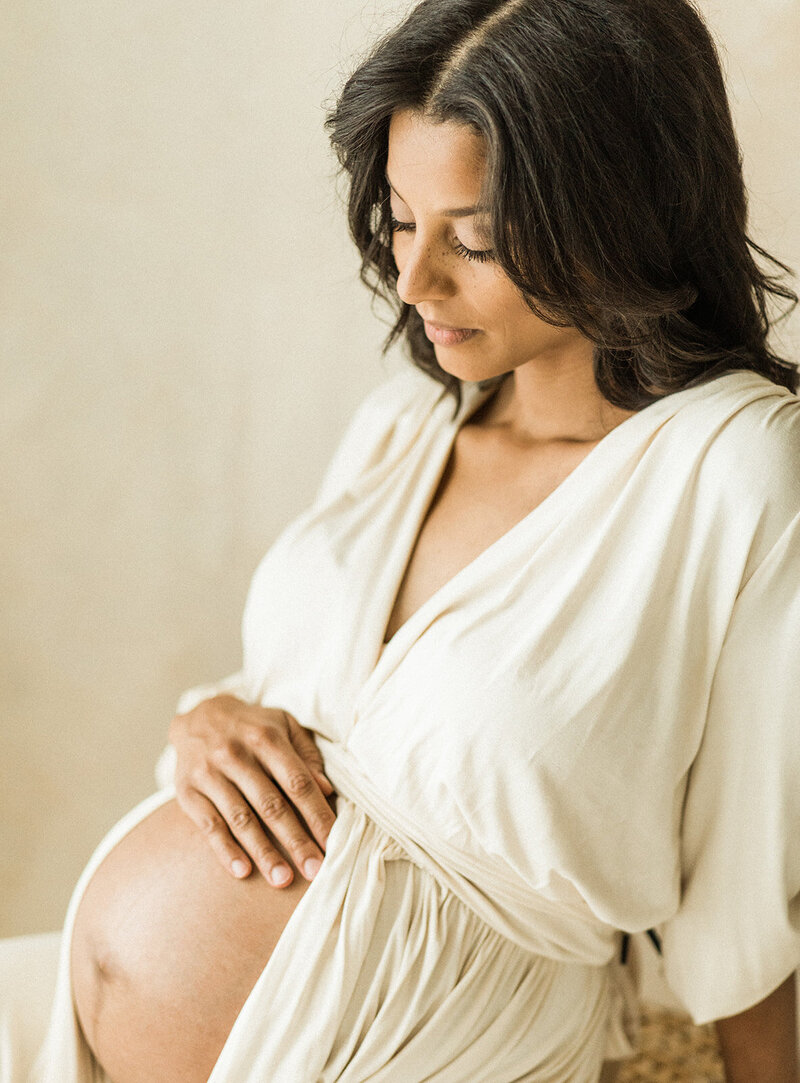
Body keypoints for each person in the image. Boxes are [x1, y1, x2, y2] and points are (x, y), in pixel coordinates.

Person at [2, 0, 799, 1080]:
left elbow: (750, 887)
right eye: (399, 220)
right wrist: (207, 721)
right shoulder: (402, 429)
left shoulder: (732, 467)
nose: (415, 280)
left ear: (615, 211)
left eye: (472, 238)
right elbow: (320, 712)